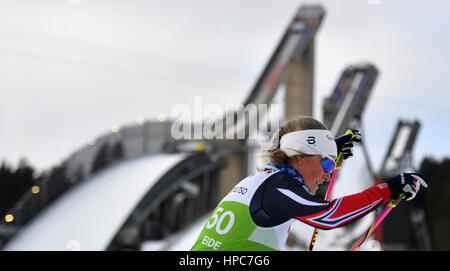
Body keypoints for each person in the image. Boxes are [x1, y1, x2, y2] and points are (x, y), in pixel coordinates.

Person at [191, 116, 428, 251]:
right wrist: (387, 190)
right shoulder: (279, 189)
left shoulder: (266, 181)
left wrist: (328, 150)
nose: (328, 175)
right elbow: (329, 216)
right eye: (326, 165)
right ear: (299, 157)